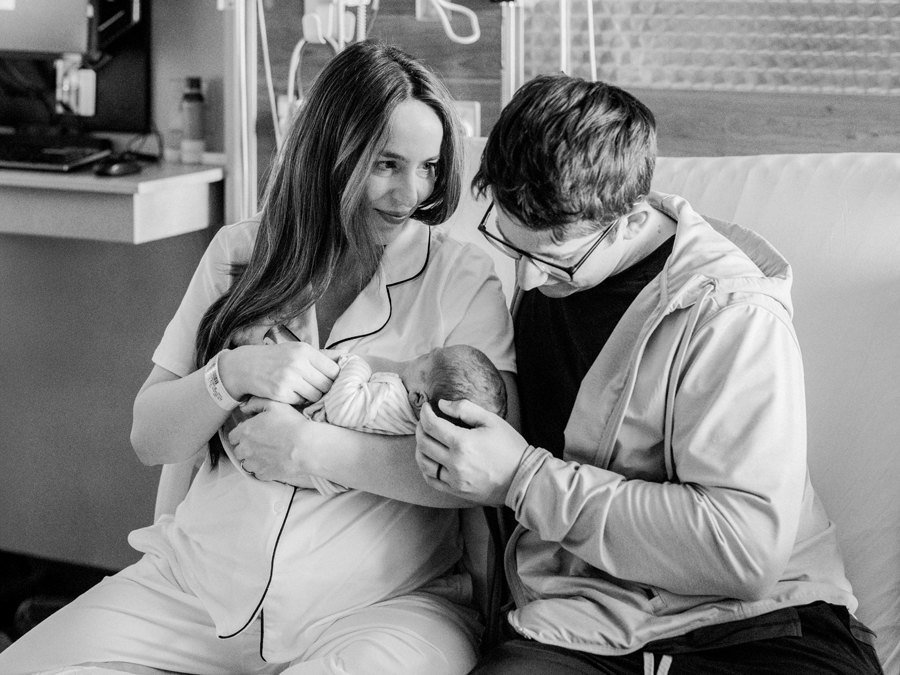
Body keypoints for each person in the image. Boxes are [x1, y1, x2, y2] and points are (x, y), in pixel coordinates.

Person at [0, 40, 516, 675]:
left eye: (429, 167)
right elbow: (149, 435)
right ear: (335, 153)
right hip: (194, 588)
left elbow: (486, 471)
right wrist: (227, 376)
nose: (411, 192)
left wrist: (312, 450)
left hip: (383, 608)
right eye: (387, 164)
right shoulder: (240, 252)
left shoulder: (462, 279)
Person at [414, 74, 884, 675]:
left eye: (552, 259)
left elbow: (742, 552)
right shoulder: (548, 274)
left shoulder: (731, 317)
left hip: (757, 627)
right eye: (512, 248)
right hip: (579, 625)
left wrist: (522, 480)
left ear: (633, 220)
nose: (528, 283)